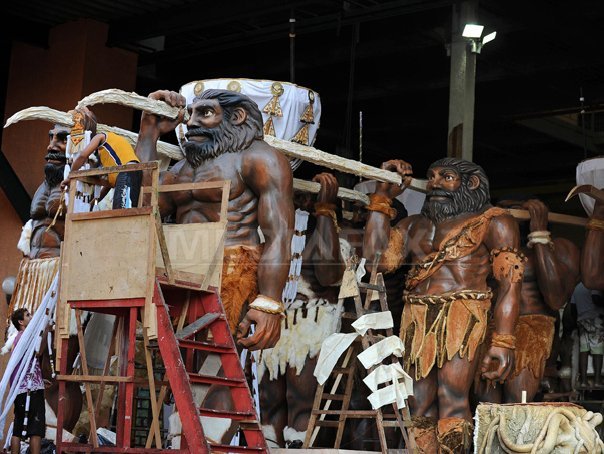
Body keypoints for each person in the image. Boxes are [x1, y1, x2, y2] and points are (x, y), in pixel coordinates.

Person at [363, 158, 523, 453]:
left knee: (452, 397)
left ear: (471, 183)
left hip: (463, 316)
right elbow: (376, 262)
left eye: (446, 177)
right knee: (417, 403)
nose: (435, 183)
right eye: (431, 176)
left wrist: (503, 341)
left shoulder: (494, 221)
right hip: (416, 318)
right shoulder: (413, 224)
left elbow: (510, 285)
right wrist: (381, 197)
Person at [135, 88, 294, 351]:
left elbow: (279, 235)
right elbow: (144, 204)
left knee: (216, 365)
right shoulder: (181, 168)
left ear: (238, 117)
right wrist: (148, 132)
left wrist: (269, 302)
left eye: (205, 113)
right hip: (177, 274)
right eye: (191, 114)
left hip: (230, 277)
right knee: (179, 363)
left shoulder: (259, 158)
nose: (191, 122)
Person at [258, 172, 347, 448]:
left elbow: (328, 275)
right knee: (268, 399)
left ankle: (298, 447)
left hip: (312, 324)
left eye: (308, 198)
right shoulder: (272, 234)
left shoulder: (334, 241)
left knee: (301, 397)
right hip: (275, 321)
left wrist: (325, 209)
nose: (300, 204)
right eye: (295, 197)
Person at [475, 198, 580, 403]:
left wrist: (539, 235)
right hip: (491, 330)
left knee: (517, 404)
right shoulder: (486, 249)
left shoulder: (559, 248)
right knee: (486, 406)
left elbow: (556, 299)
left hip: (531, 329)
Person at [61, 107, 141, 209]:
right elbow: (107, 187)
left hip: (127, 172)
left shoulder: (101, 137)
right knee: (126, 211)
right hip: (135, 173)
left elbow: (82, 156)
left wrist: (69, 177)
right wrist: (91, 206)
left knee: (121, 212)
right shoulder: (109, 152)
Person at [9, 308, 46, 454]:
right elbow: (39, 351)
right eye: (27, 315)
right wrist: (46, 329)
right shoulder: (26, 336)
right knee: (35, 430)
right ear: (21, 322)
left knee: (17, 429)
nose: (31, 317)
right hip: (31, 388)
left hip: (19, 388)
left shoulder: (17, 338)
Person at [571, 282, 604, 388]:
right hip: (595, 318)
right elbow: (596, 298)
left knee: (583, 350)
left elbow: (573, 307)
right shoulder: (593, 283)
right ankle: (597, 381)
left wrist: (577, 321)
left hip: (581, 320)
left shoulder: (576, 287)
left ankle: (584, 381)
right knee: (598, 350)